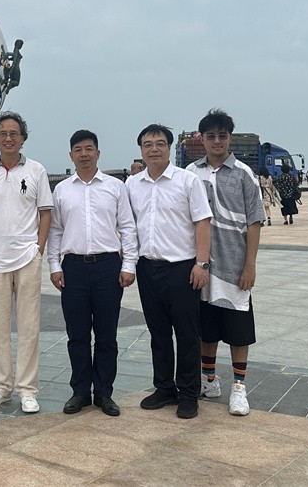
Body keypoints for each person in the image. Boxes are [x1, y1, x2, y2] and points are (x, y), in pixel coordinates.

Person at [48, 130, 138, 417]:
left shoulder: (115, 187)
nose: (84, 154)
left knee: (106, 335)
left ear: (98, 153)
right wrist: (54, 266)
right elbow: (55, 231)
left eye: (89, 148)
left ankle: (104, 393)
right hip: (73, 267)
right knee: (76, 335)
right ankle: (80, 392)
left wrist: (128, 265)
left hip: (108, 267)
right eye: (78, 149)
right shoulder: (62, 190)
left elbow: (127, 227)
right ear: (71, 155)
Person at [127, 123, 212, 419]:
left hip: (182, 269)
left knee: (187, 334)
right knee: (158, 332)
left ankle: (188, 393)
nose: (154, 149)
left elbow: (202, 222)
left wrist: (201, 264)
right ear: (141, 150)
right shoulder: (132, 185)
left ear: (169, 147)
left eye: (160, 143)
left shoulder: (187, 181)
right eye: (148, 144)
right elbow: (127, 226)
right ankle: (164, 387)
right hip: (147, 268)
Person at [0, 112, 52, 414]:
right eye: (3, 133)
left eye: (14, 133)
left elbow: (45, 212)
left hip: (27, 257)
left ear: (22, 138)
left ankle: (27, 390)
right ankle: (1, 386)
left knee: (29, 326)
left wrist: (38, 249)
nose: (8, 138)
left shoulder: (36, 170)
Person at [186, 110, 264, 416]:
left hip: (234, 267)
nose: (216, 141)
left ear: (230, 138)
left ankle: (239, 388)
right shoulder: (191, 173)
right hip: (202, 265)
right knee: (206, 329)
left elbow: (255, 221)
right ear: (202, 139)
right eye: (211, 136)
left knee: (238, 330)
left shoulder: (244, 174)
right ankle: (209, 380)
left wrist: (250, 265)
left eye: (222, 135)